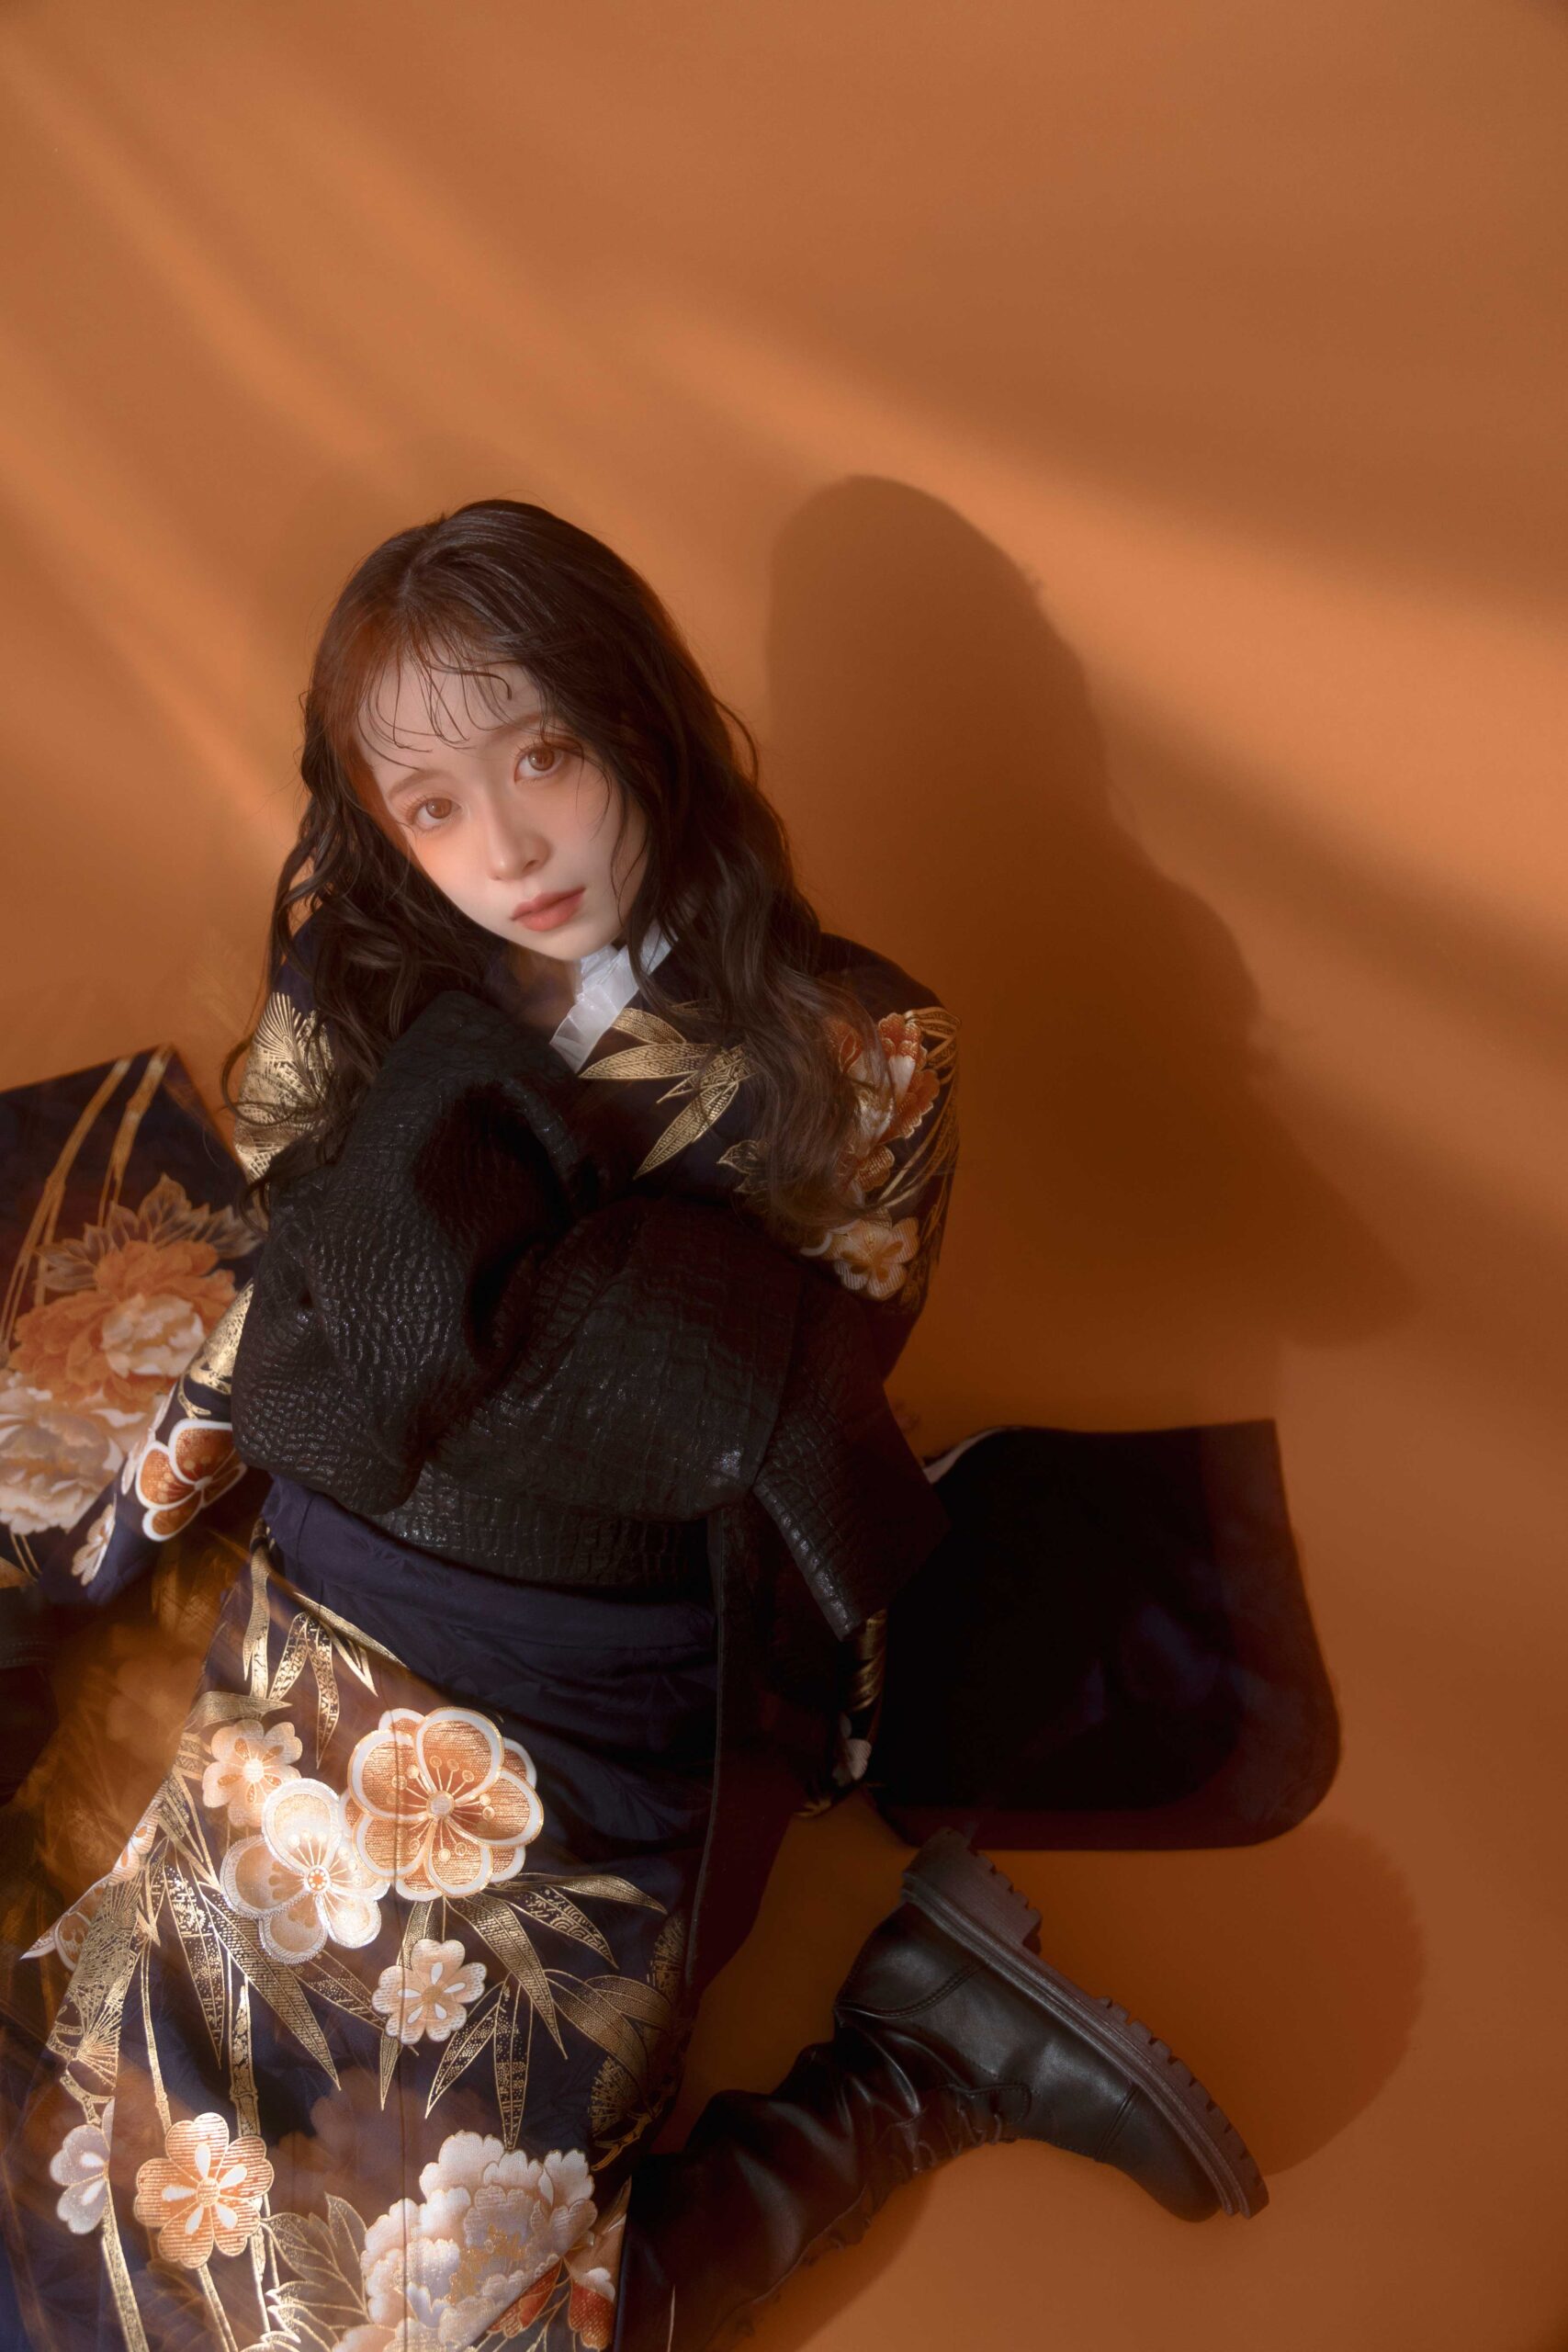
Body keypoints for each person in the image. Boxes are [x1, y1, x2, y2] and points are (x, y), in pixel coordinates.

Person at [0, 499, 1263, 2352]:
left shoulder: (864, 1049)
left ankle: (918, 2055)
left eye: (544, 759)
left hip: (605, 1679)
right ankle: (930, 2052)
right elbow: (304, 1278)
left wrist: (564, 1365)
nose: (507, 849)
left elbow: (812, 1384)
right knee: (91, 2179)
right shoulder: (362, 977)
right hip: (325, 1635)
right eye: (433, 805)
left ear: (639, 725)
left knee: (443, 2289)